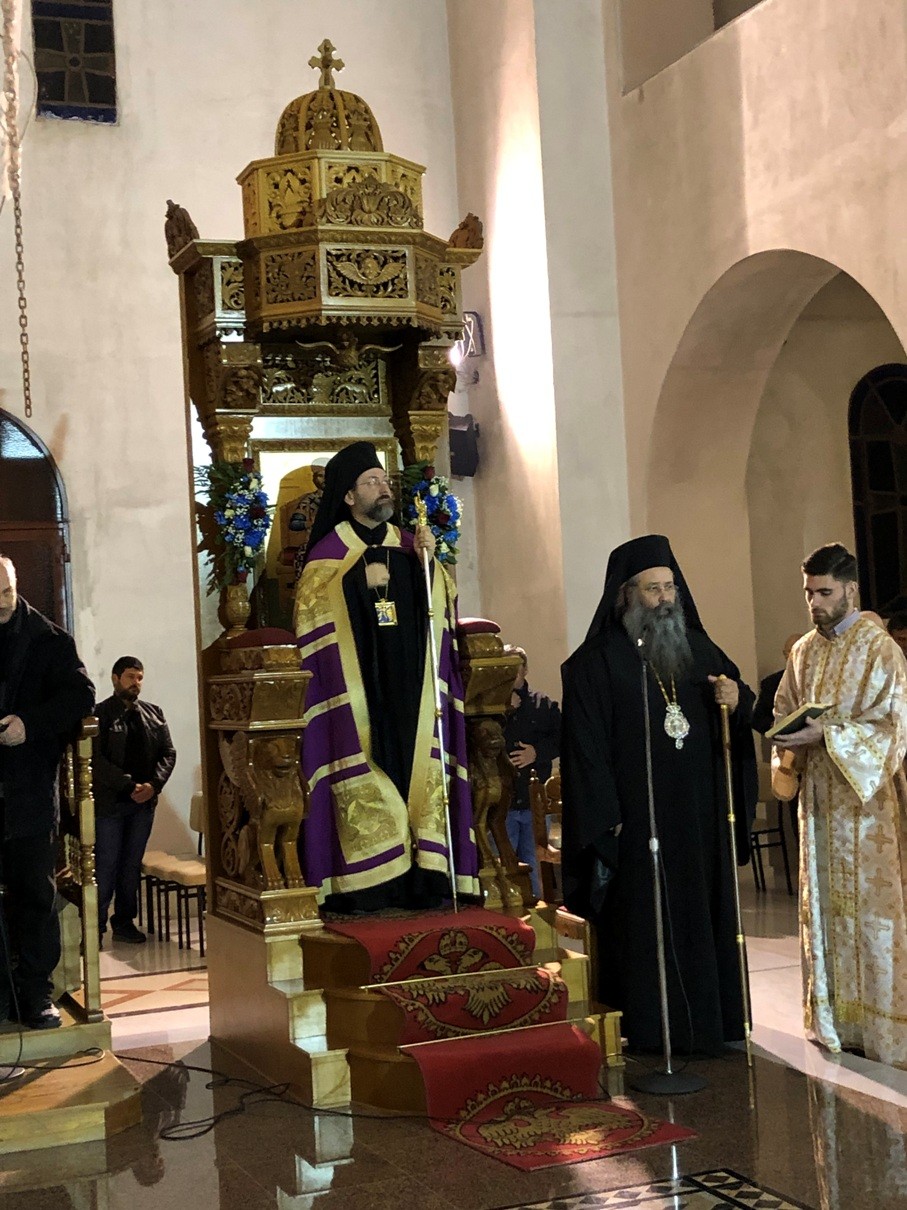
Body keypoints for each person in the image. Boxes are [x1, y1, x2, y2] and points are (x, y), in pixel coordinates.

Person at [560, 534, 757, 1054]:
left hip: (699, 820)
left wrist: (736, 700)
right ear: (626, 594)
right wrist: (608, 817)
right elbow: (585, 749)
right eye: (653, 589)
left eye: (671, 587)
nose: (666, 599)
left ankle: (712, 1024)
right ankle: (651, 1029)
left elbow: (739, 704)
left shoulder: (700, 649)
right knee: (645, 924)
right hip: (638, 823)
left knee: (703, 915)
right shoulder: (595, 663)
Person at [294, 441, 480, 912]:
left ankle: (427, 876)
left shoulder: (410, 542)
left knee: (419, 766)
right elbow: (314, 617)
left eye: (383, 480)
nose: (382, 488)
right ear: (349, 496)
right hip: (361, 691)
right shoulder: (328, 554)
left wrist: (428, 565)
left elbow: (441, 607)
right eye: (370, 482)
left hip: (412, 687)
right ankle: (369, 884)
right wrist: (361, 579)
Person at [772, 542, 907, 1068]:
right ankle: (834, 1023)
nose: (814, 603)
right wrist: (788, 739)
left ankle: (882, 1030)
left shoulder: (881, 650)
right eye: (809, 593)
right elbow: (784, 708)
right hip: (820, 806)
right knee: (826, 912)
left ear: (850, 589)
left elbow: (893, 729)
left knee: (873, 918)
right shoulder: (803, 651)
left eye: (824, 592)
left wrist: (828, 734)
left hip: (867, 808)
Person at [0, 554, 95, 1028]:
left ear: (15, 585)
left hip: (29, 789)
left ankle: (36, 991)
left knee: (35, 893)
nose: (1, 603)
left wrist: (29, 724)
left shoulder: (49, 639)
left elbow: (81, 697)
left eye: (5, 592)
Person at [94, 657, 176, 944]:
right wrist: (127, 785)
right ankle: (95, 927)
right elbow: (95, 759)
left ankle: (124, 922)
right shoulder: (99, 714)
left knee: (130, 865)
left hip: (143, 804)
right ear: (116, 678)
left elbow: (168, 753)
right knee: (106, 865)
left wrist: (154, 785)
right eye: (130, 677)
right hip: (110, 804)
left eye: (139, 678)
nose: (136, 683)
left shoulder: (154, 713)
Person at [501, 644, 561, 900]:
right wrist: (504, 707)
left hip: (534, 803)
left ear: (525, 669)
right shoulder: (491, 705)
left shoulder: (543, 704)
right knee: (504, 867)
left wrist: (536, 753)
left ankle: (538, 912)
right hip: (503, 804)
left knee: (535, 865)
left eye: (515, 667)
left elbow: (563, 738)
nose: (510, 673)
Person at [751, 633, 802, 737]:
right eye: (791, 651)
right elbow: (758, 719)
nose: (796, 656)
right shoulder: (771, 683)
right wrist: (777, 728)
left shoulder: (820, 679)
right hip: (785, 741)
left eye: (800, 651)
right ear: (785, 654)